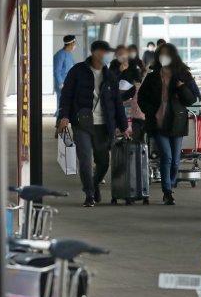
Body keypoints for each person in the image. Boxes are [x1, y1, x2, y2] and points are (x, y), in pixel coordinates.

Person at [57, 40, 131, 207]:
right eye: (103, 52)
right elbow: (66, 95)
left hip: (104, 125)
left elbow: (117, 102)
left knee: (103, 161)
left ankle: (94, 183)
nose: (106, 56)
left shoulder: (110, 75)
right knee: (85, 160)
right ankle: (89, 194)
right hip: (82, 123)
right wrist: (64, 116)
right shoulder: (77, 71)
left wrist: (124, 126)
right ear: (95, 53)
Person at [138, 43, 198, 205]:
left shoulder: (183, 75)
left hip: (177, 122)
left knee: (176, 160)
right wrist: (152, 112)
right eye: (161, 54)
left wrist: (181, 87)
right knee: (167, 156)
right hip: (158, 123)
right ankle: (167, 191)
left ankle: (170, 183)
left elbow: (191, 99)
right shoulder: (152, 77)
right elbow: (141, 98)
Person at [110, 46, 145, 139]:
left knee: (129, 120)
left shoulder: (133, 63)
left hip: (130, 97)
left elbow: (138, 81)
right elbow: (109, 79)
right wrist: (119, 70)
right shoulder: (114, 64)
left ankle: (129, 133)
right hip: (117, 96)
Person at [53, 35, 77, 115]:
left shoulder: (69, 54)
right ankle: (59, 123)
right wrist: (60, 83)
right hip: (62, 84)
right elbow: (57, 70)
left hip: (68, 83)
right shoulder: (60, 55)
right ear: (71, 44)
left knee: (67, 105)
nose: (75, 45)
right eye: (74, 43)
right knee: (61, 104)